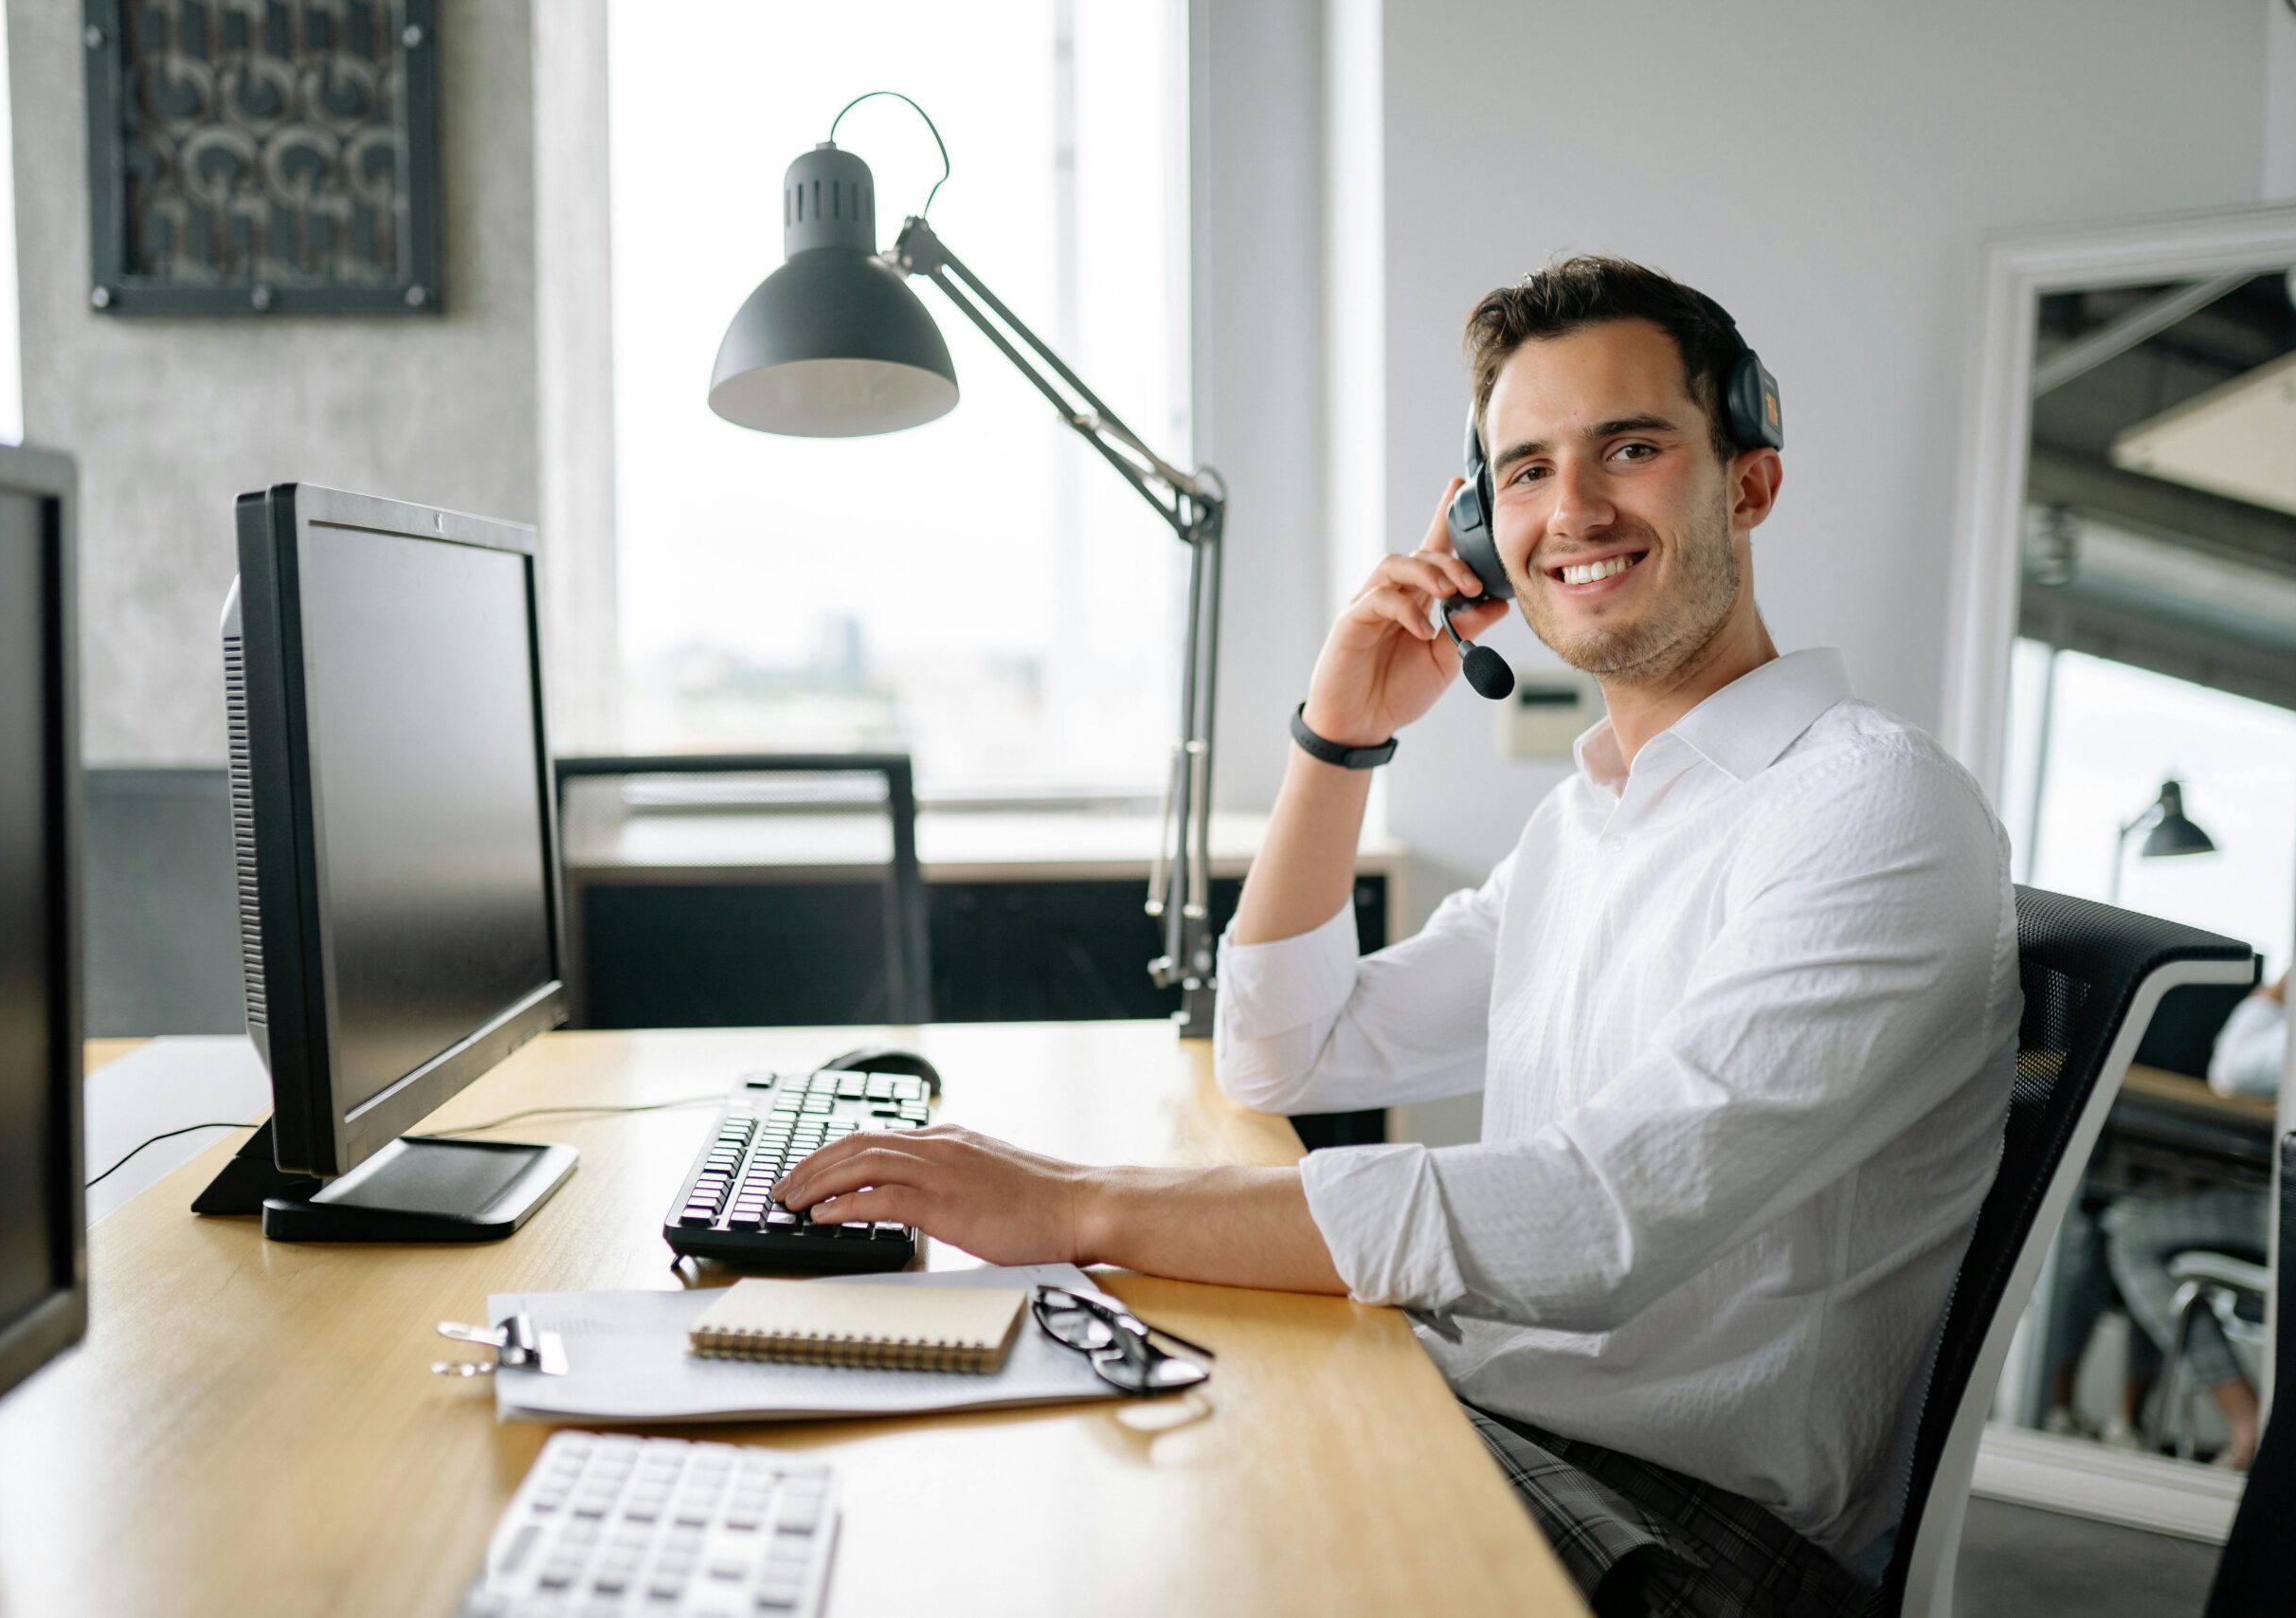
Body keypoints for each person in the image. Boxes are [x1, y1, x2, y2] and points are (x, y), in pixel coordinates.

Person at [772, 256, 2020, 1617]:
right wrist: (1339, 730)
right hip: (1493, 1410)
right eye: (1525, 472)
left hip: (1688, 1530)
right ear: (1481, 524)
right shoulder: (1594, 818)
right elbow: (1282, 1050)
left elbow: (1596, 1217)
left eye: (1634, 447)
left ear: (1749, 480)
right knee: (1036, 1474)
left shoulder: (1869, 806)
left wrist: (1077, 1202)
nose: (1574, 509)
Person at [2102, 969, 2287, 1469]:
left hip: (2280, 1213)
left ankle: (2248, 1424)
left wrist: (2279, 987)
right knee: (2146, 1212)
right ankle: (2131, 1415)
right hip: (2267, 1202)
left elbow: (2233, 1073)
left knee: (2133, 1236)